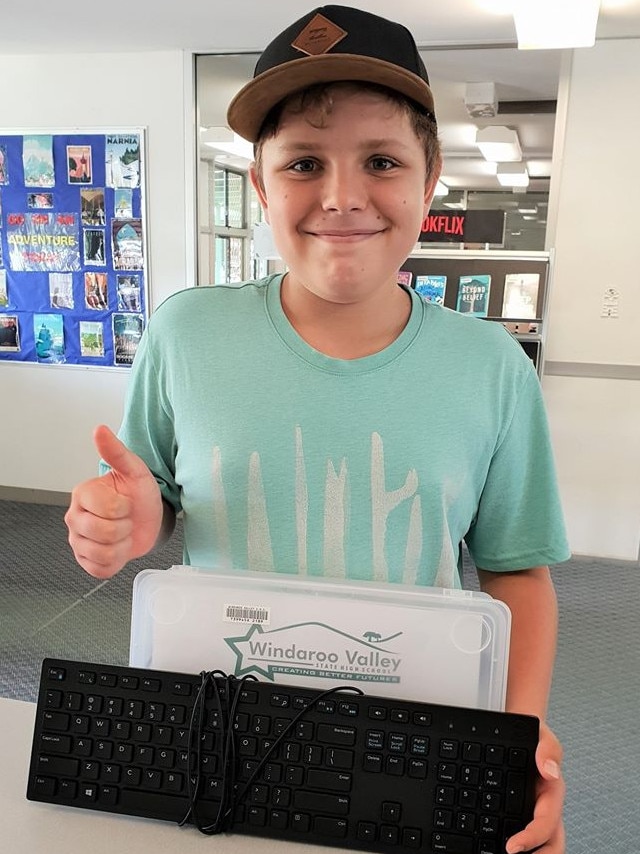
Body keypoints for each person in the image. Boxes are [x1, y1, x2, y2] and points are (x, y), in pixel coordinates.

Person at [65, 6, 569, 852]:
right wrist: (121, 521)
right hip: (221, 716)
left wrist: (516, 736)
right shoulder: (186, 333)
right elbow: (152, 501)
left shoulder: (490, 367)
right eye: (303, 162)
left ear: (429, 177)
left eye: (381, 160)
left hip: (415, 723)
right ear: (260, 185)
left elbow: (517, 572)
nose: (342, 197)